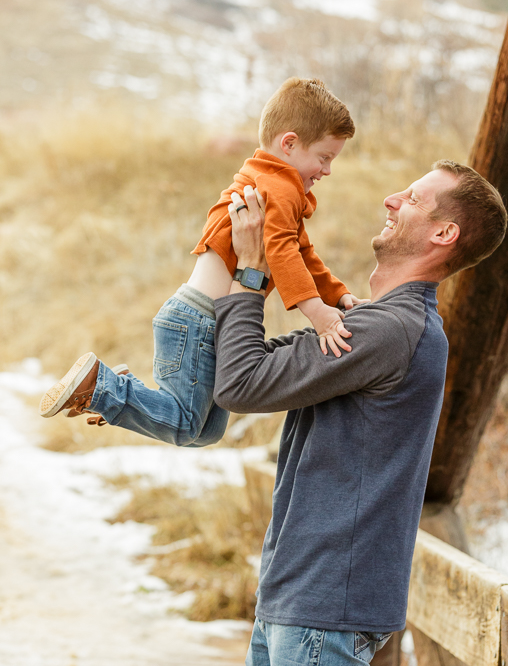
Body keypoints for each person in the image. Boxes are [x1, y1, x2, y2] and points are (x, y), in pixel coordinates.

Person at [214, 159, 508, 666]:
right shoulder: (373, 323)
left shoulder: (386, 331)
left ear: (442, 232)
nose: (390, 197)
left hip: (323, 601)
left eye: (412, 197)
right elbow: (252, 373)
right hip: (301, 591)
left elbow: (242, 384)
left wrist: (251, 271)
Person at [38, 78, 365, 443]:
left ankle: (124, 393)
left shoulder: (272, 181)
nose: (327, 170)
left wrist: (338, 295)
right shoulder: (279, 188)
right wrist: (318, 312)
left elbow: (304, 253)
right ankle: (102, 388)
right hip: (199, 320)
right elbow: (284, 252)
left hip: (204, 320)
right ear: (288, 144)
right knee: (184, 425)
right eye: (324, 157)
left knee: (206, 432)